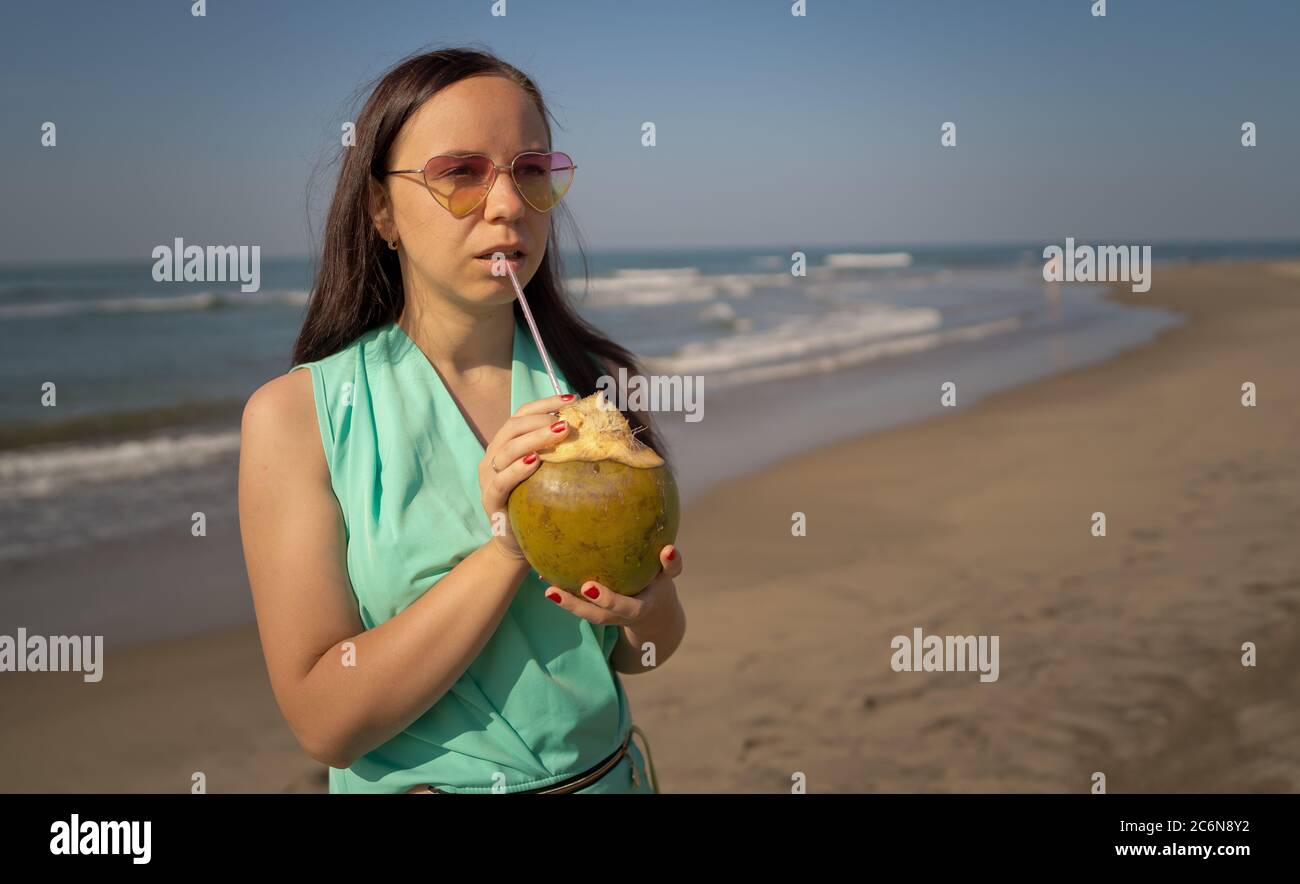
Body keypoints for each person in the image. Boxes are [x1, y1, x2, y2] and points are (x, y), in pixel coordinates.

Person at [237, 46, 686, 794]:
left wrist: (650, 606)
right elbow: (325, 723)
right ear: (382, 209)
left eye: (531, 170)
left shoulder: (589, 391)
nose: (507, 204)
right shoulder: (298, 418)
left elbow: (641, 656)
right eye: (460, 174)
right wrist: (509, 547)